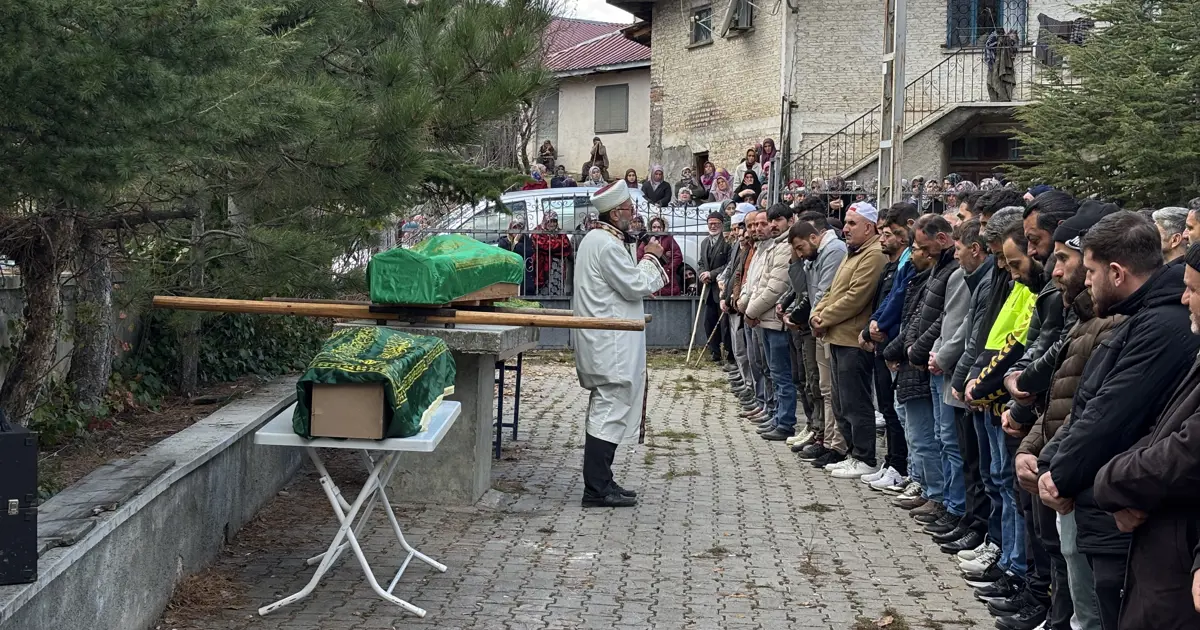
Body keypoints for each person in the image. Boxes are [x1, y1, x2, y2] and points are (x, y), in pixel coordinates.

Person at [1036, 211, 1200, 630]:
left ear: (1115, 271)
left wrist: (1071, 477)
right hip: (1113, 504)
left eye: (1089, 271)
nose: (1084, 280)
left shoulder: (1163, 326)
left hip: (1126, 514)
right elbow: (1085, 403)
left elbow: (1121, 419)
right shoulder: (1137, 317)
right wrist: (1045, 458)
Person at [1013, 202, 1123, 630]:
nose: (1055, 271)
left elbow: (1091, 410)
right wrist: (1030, 447)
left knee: (1085, 598)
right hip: (1057, 464)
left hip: (1077, 477)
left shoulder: (1110, 323)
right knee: (1059, 559)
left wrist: (1050, 463)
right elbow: (1058, 396)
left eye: (1065, 259)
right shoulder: (1082, 316)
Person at [1092, 241, 1200, 630]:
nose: (1184, 298)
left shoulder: (1163, 328)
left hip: (1177, 568)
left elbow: (1182, 454)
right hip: (1164, 558)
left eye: (1193, 289)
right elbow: (1160, 432)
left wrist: (1109, 482)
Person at [572, 181, 666, 508]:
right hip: (608, 341)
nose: (633, 216)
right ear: (615, 212)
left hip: (607, 338)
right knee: (609, 407)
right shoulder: (605, 244)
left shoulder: (600, 240)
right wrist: (652, 258)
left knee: (609, 407)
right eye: (628, 210)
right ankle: (596, 489)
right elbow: (633, 284)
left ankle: (603, 480)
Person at [929, 218, 993, 556]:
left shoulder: (985, 281)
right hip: (957, 370)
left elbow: (972, 330)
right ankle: (968, 518)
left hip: (968, 376)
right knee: (967, 456)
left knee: (976, 461)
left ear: (975, 250)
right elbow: (947, 320)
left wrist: (949, 360)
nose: (955, 256)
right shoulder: (969, 278)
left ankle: (976, 524)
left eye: (958, 249)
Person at [811, 202, 888, 479]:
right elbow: (832, 289)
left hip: (854, 340)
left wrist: (824, 318)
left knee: (856, 401)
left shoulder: (874, 254)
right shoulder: (852, 253)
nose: (845, 229)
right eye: (845, 223)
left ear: (869, 227)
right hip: (837, 336)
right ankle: (853, 452)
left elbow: (856, 298)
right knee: (841, 401)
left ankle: (864, 456)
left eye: (852, 224)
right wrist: (817, 313)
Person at [904, 215, 966, 536]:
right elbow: (922, 312)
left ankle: (952, 504)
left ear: (942, 239)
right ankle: (940, 499)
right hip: (932, 357)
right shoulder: (939, 267)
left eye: (925, 247)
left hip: (944, 364)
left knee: (948, 441)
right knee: (941, 438)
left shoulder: (954, 271)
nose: (922, 254)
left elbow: (951, 322)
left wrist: (926, 351)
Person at [858, 204, 916, 491]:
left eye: (889, 233)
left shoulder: (908, 262)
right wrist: (872, 323)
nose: (884, 238)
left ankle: (900, 467)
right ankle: (893, 462)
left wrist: (877, 326)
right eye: (882, 232)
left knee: (895, 413)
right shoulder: (895, 263)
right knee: (888, 407)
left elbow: (900, 300)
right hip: (884, 342)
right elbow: (886, 300)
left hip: (894, 344)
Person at [792, 208, 849, 465]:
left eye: (801, 247)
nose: (800, 254)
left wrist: (816, 318)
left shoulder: (834, 251)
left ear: (814, 237)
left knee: (830, 390)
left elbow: (825, 291)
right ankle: (825, 439)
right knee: (822, 388)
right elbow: (807, 288)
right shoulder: (816, 254)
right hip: (819, 324)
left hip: (827, 326)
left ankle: (835, 443)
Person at [741, 203, 798, 440]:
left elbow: (775, 287)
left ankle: (784, 421)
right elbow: (756, 283)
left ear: (790, 221)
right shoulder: (771, 246)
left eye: (776, 221)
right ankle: (776, 415)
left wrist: (750, 311)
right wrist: (746, 305)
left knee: (781, 374)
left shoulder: (785, 248)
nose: (772, 226)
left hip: (775, 321)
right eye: (769, 221)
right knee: (771, 371)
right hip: (763, 319)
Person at [698, 211, 732, 363]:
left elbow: (729, 264)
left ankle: (729, 353)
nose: (713, 226)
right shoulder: (704, 242)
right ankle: (715, 351)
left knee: (724, 323)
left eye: (716, 223)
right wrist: (701, 274)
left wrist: (711, 274)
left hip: (722, 288)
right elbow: (701, 263)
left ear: (721, 224)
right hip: (708, 290)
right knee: (709, 321)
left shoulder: (727, 242)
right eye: (710, 223)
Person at [637, 216, 683, 296]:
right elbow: (639, 256)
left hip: (667, 277)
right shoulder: (647, 240)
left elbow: (678, 256)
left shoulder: (669, 239)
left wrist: (669, 268)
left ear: (663, 228)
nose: (656, 229)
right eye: (654, 227)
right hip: (651, 273)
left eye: (659, 227)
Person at [531, 210, 573, 296]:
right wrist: (557, 246)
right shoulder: (537, 231)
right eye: (550, 221)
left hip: (558, 268)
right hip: (543, 267)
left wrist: (554, 246)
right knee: (544, 291)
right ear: (545, 221)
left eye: (555, 221)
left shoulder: (560, 232)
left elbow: (566, 247)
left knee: (557, 290)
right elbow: (544, 246)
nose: (553, 224)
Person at [497, 219, 536, 295]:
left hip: (524, 273)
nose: (517, 230)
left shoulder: (526, 240)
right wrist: (514, 243)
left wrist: (516, 244)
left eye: (519, 228)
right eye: (515, 227)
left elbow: (529, 252)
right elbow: (506, 255)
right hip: (509, 273)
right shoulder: (503, 241)